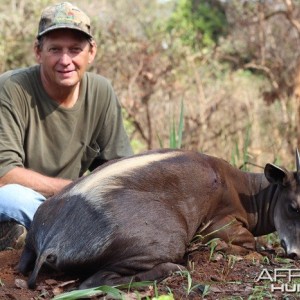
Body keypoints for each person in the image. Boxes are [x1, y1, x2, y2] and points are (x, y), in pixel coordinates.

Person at [0, 2, 133, 251]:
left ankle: (35, 236)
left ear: (91, 52)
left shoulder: (100, 92)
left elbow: (119, 169)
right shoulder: (11, 89)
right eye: (55, 50)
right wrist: (76, 190)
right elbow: (5, 174)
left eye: (75, 49)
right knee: (11, 199)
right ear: (38, 52)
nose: (65, 60)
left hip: (70, 204)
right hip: (27, 199)